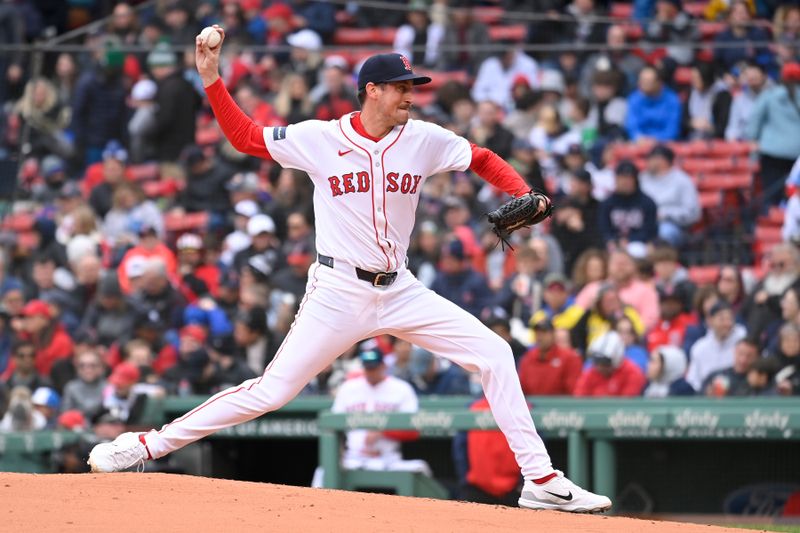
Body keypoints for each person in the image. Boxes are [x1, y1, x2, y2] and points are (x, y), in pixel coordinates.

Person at [88, 29, 611, 513]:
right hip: (338, 289)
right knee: (272, 391)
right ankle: (144, 445)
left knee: (495, 353)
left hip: (401, 288)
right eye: (400, 86)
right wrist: (211, 79)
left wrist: (521, 193)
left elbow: (480, 156)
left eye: (413, 86)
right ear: (371, 91)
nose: (410, 94)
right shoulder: (320, 137)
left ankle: (540, 481)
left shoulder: (422, 137)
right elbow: (246, 137)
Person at [638, 145, 701, 247]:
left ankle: (662, 261)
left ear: (663, 160)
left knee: (665, 232)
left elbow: (693, 213)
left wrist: (666, 214)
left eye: (653, 158)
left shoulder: (682, 180)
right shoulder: (642, 178)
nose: (648, 162)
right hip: (642, 223)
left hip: (672, 225)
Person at [686, 302, 747, 391]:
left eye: (730, 319)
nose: (727, 324)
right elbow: (693, 381)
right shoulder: (699, 348)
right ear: (709, 321)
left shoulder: (743, 340)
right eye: (722, 319)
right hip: (707, 398)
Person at [518, 318, 582, 395]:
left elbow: (573, 389)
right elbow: (522, 387)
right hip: (532, 404)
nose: (540, 337)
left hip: (559, 405)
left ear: (553, 334)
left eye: (544, 333)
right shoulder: (528, 357)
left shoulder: (569, 357)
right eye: (537, 333)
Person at [573, 331, 648, 397]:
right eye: (597, 362)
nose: (599, 367)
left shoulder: (632, 373)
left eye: (604, 363)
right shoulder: (591, 372)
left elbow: (626, 405)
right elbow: (579, 397)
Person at [625, 66, 682, 142]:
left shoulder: (672, 100)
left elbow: (673, 129)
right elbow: (632, 126)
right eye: (642, 81)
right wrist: (639, 138)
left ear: (659, 82)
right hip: (640, 143)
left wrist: (656, 140)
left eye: (648, 81)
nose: (643, 84)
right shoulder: (634, 98)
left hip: (665, 143)